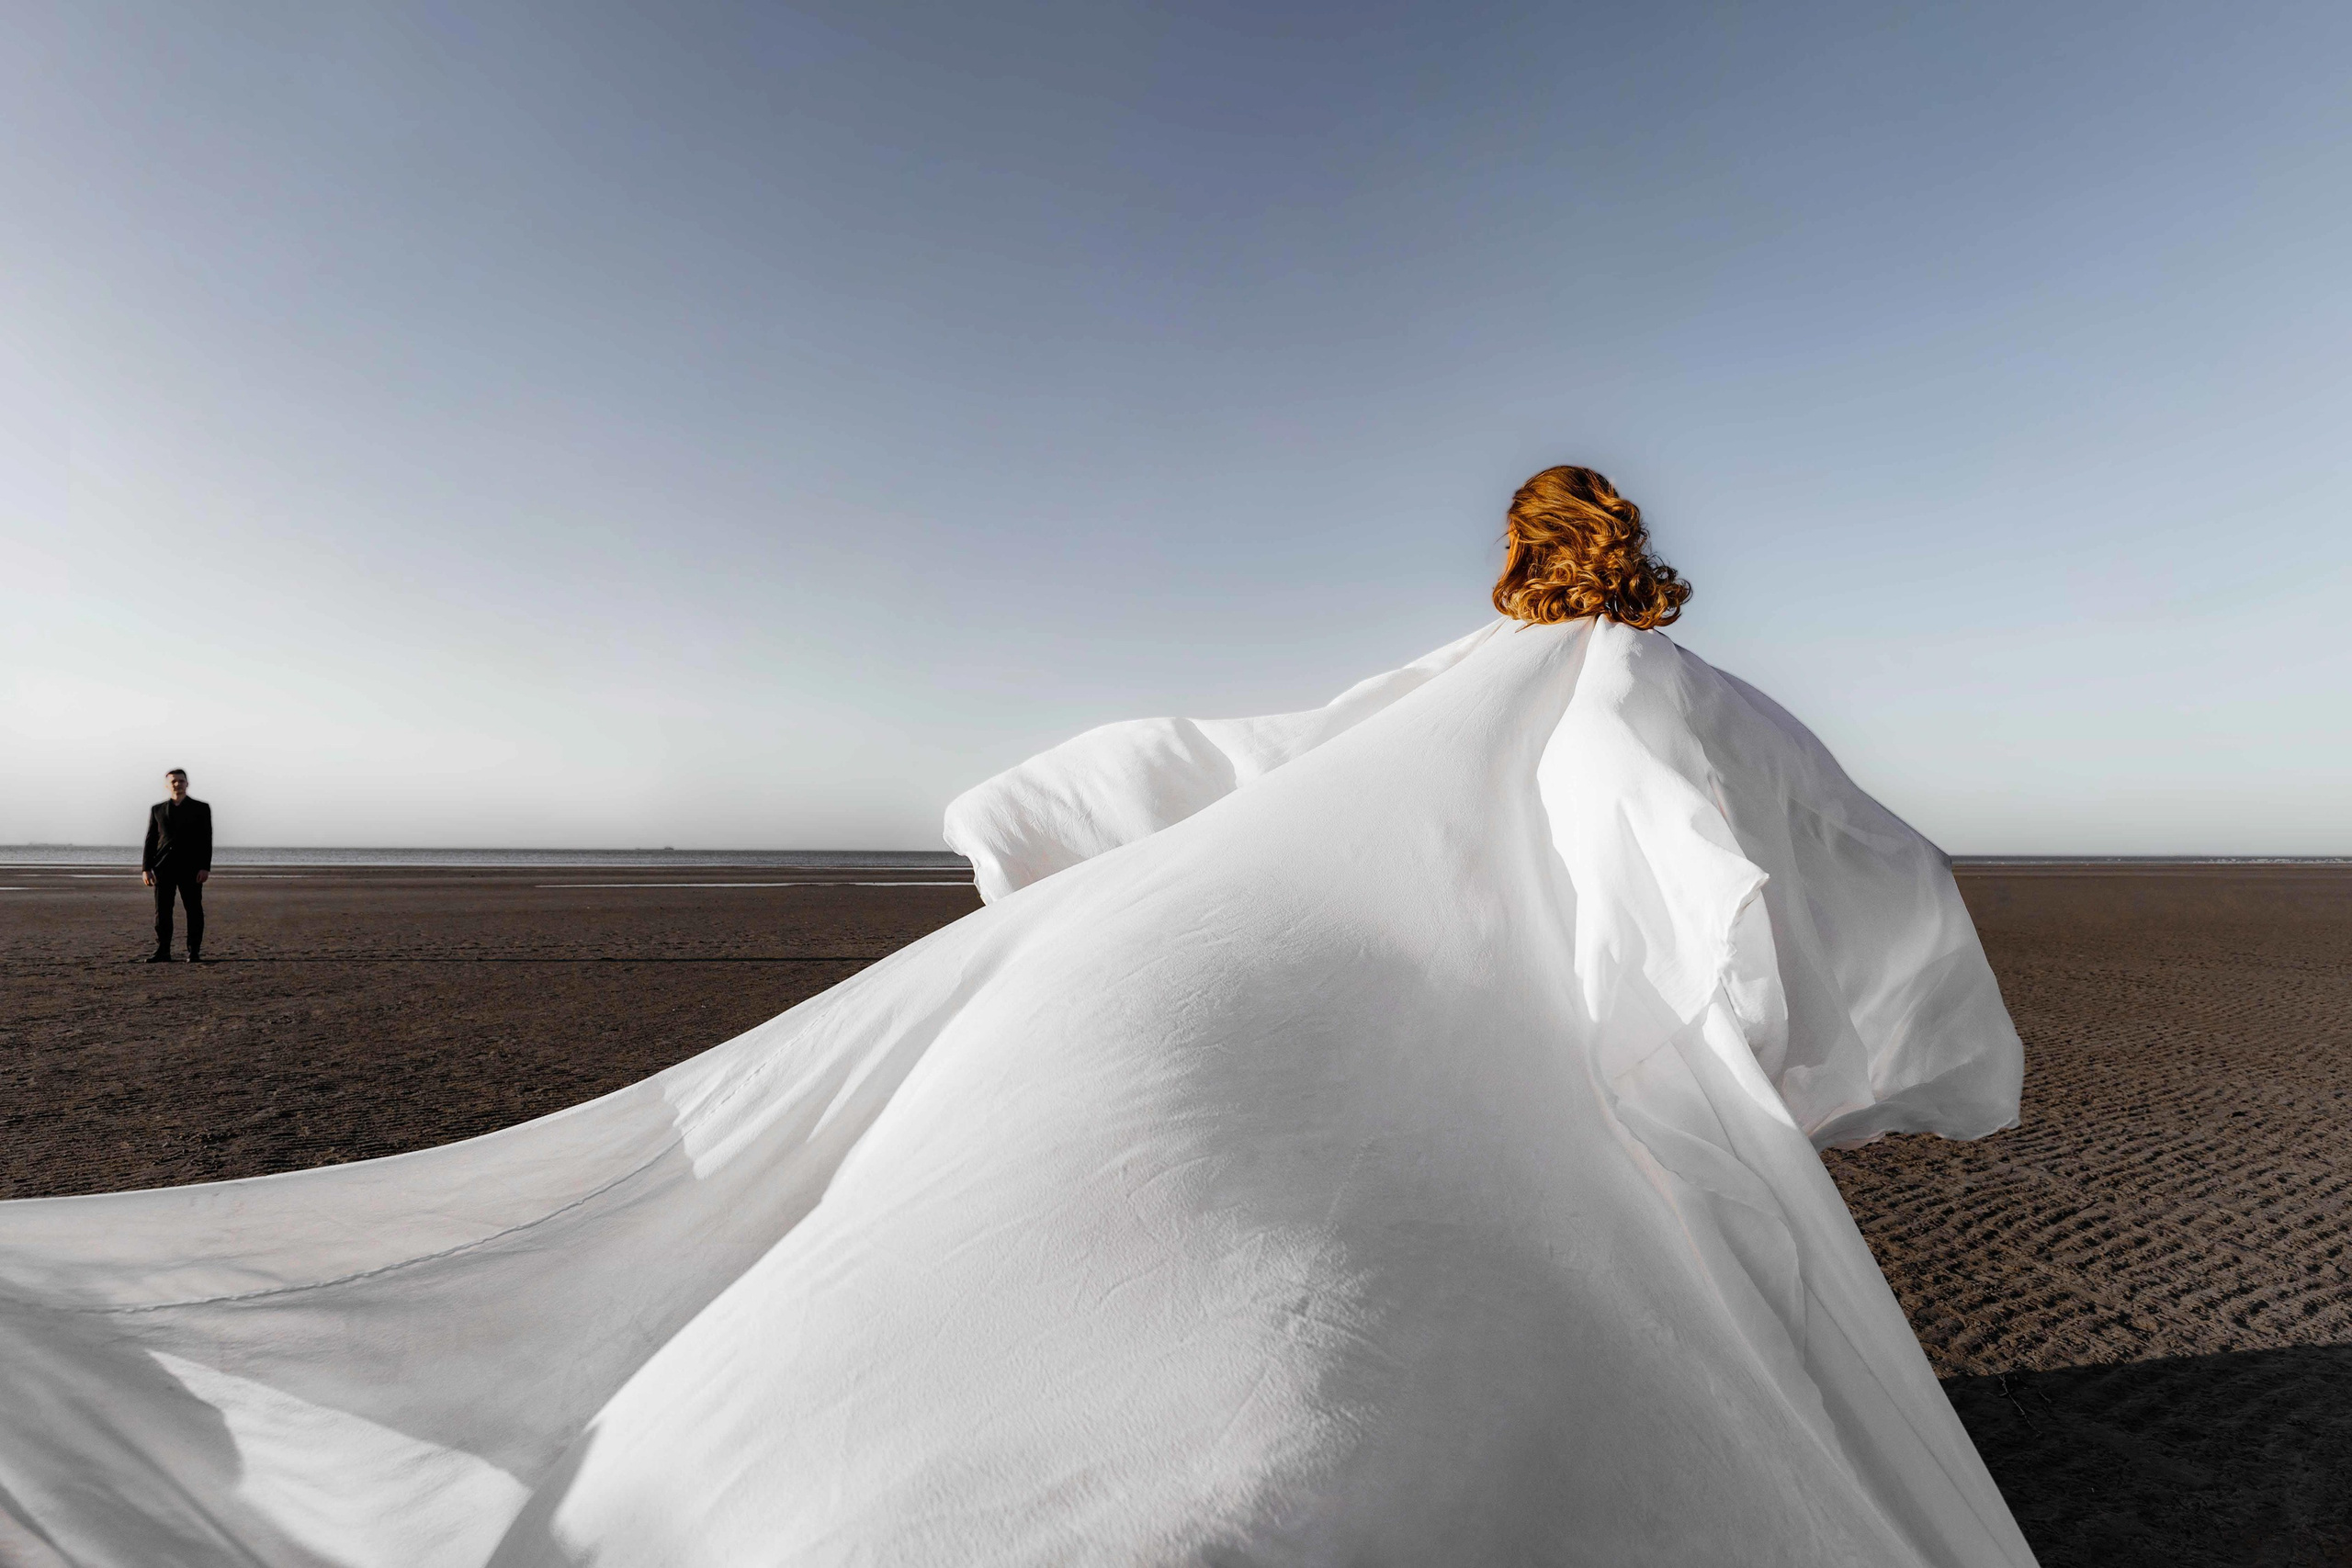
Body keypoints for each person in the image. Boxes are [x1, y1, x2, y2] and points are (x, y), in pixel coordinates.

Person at [0, 468, 2036, 1567]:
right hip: (1409, 1033)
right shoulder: (1662, 698)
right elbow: (1783, 887)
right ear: (1638, 568)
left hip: (1188, 976)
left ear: (1516, 567)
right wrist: (1777, 1043)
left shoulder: (1439, 688)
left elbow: (1217, 755)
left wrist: (1028, 819)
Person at [141, 768, 213, 964]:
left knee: (194, 910)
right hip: (163, 868)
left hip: (192, 868)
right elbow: (151, 840)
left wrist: (205, 867)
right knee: (162, 911)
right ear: (167, 785)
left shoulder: (201, 808)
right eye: (173, 781)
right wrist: (146, 868)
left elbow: (207, 840)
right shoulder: (157, 810)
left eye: (181, 781)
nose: (177, 784)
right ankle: (163, 950)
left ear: (187, 783)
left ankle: (194, 951)